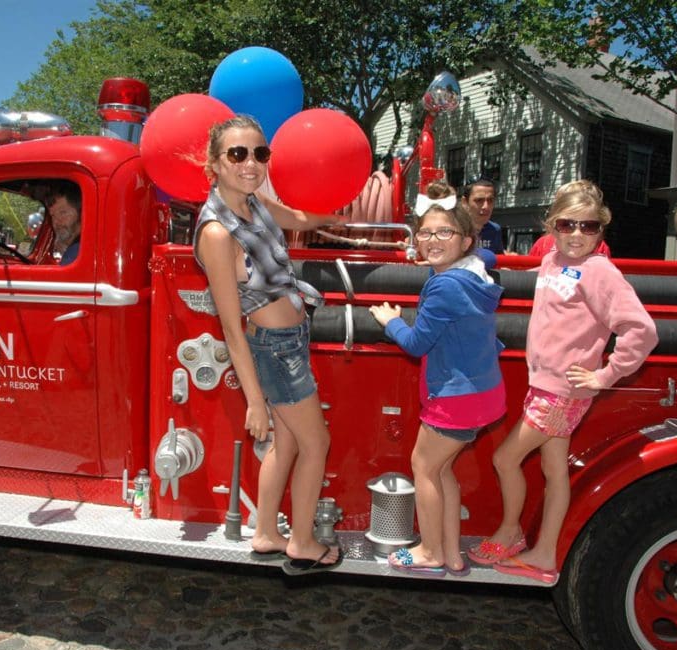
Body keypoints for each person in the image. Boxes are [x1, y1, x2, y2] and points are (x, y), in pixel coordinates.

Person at [474, 180, 657, 584]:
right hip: (545, 385)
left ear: (601, 230)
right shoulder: (554, 261)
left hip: (563, 391)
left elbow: (641, 331)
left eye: (588, 227)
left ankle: (510, 533)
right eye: (567, 224)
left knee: (505, 458)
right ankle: (545, 552)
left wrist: (605, 375)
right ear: (552, 227)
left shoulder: (601, 271)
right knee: (555, 470)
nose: (577, 234)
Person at [194, 114, 347, 575]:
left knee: (288, 444)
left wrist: (340, 218)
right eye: (237, 154)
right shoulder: (218, 231)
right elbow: (230, 327)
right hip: (273, 349)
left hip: (289, 339)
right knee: (316, 442)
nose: (251, 163)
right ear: (214, 164)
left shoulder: (253, 203)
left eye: (260, 153)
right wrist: (254, 402)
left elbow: (297, 218)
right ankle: (301, 541)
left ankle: (265, 532)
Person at [370, 181, 506, 576]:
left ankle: (430, 549)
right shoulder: (477, 272)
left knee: (424, 468)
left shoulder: (445, 285)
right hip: (484, 394)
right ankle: (451, 552)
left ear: (465, 241)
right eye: (426, 232)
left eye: (444, 232)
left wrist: (390, 321)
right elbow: (489, 254)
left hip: (455, 397)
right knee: (443, 470)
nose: (432, 239)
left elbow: (416, 343)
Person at [528, 181, 612, 257]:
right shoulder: (543, 243)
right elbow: (529, 269)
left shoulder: (600, 248)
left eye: (589, 226)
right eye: (565, 225)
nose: (577, 234)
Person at [462, 179, 505, 255]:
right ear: (465, 202)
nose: (486, 206)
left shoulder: (494, 230)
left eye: (490, 200)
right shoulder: (454, 230)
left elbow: (499, 260)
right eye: (479, 200)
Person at [47, 183, 82, 265]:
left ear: (81, 213)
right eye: (53, 216)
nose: (56, 222)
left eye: (63, 213)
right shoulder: (74, 250)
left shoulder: (75, 253)